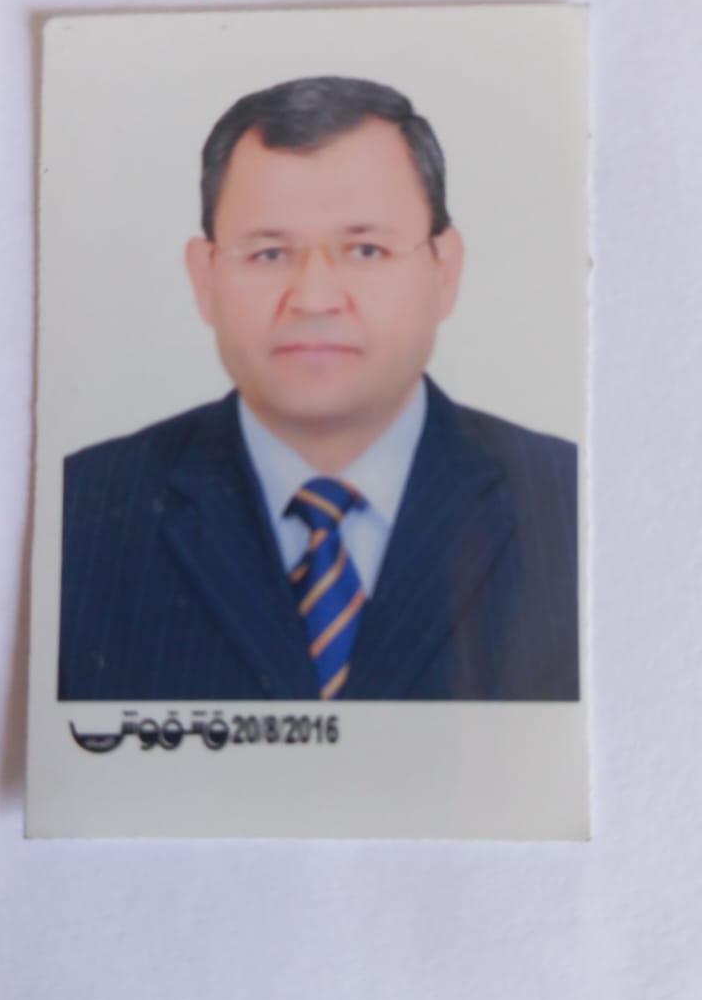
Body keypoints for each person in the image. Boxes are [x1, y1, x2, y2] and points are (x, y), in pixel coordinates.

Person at [58, 76, 579, 702]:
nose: (313, 298)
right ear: (205, 278)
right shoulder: (80, 512)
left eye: (366, 249)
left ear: (444, 271)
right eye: (269, 254)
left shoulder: (569, 503)